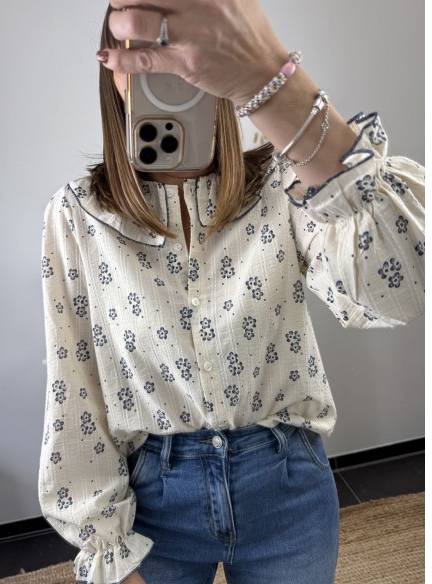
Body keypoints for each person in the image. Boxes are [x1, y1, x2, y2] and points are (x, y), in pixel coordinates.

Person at [38, 2, 425, 583]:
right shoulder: (77, 214)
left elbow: (404, 287)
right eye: (144, 45)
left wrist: (274, 82)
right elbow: (74, 380)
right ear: (112, 65)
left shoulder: (285, 183)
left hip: (287, 487)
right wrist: (104, 540)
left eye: (180, 39)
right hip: (152, 503)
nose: (166, 64)